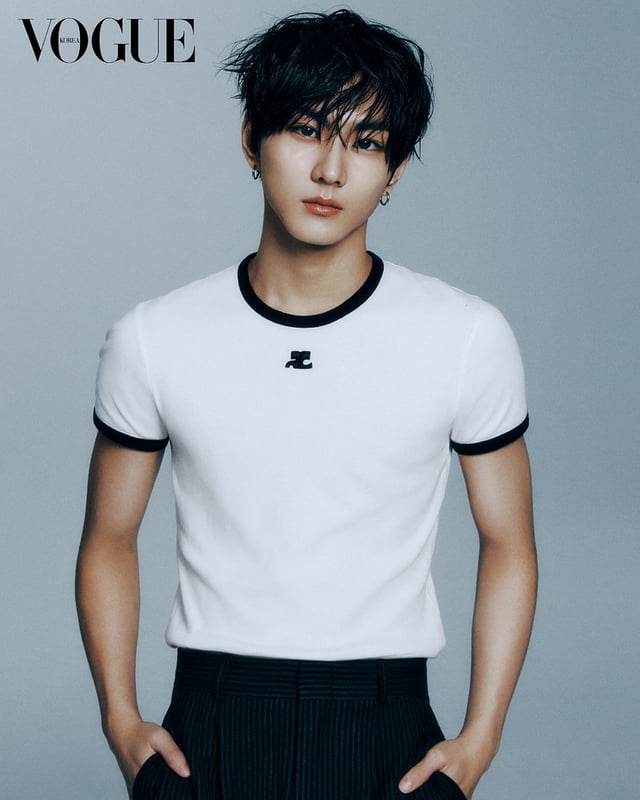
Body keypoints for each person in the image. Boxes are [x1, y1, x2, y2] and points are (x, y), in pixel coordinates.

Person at [76, 9, 537, 800]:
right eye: (306, 130)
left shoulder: (465, 336)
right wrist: (121, 721)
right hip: (210, 723)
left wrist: (481, 737)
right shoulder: (155, 336)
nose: (331, 169)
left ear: (394, 170)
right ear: (251, 140)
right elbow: (108, 538)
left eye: (367, 142)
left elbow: (510, 543)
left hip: (387, 726)